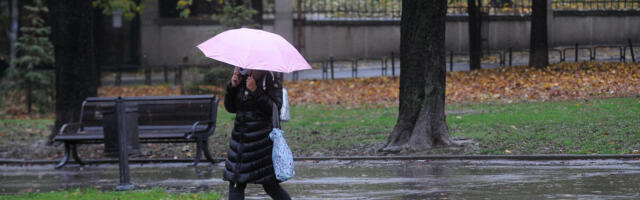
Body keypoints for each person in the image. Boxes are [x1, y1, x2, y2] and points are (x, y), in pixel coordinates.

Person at [223, 67, 291, 200]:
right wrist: (232, 86)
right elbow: (230, 108)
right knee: (236, 183)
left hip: (262, 143)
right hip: (240, 142)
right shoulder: (242, 77)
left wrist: (255, 90)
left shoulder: (271, 79)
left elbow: (274, 108)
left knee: (270, 185)